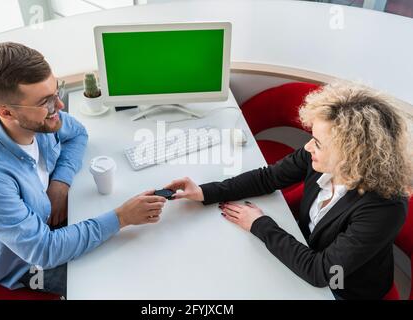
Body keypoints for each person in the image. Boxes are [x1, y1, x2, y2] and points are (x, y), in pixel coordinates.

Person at [165, 82, 412, 300]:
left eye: (317, 143)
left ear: (351, 156)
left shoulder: (384, 208)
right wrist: (205, 192)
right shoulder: (319, 157)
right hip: (302, 249)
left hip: (343, 290)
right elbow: (268, 178)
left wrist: (260, 224)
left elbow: (321, 273)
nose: (307, 146)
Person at [0, 42, 167, 297]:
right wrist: (122, 217)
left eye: (56, 90)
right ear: (5, 112)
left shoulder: (37, 119)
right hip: (24, 263)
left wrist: (60, 183)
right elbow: (44, 251)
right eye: (46, 102)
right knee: (120, 284)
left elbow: (78, 133)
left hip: (48, 226)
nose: (59, 106)